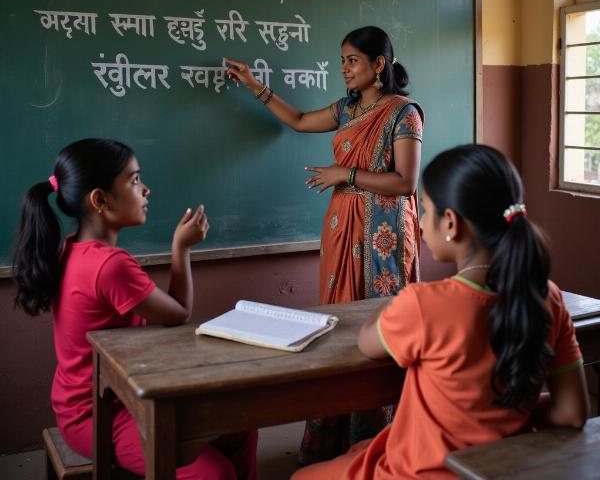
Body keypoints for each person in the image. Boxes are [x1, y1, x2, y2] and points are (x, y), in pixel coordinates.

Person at [291, 144, 589, 480]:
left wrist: (395, 301)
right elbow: (571, 413)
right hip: (502, 468)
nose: (419, 224)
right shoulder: (548, 296)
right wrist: (506, 416)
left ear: (451, 222)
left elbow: (367, 343)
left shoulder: (425, 304)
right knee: (363, 450)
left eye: (426, 210)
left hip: (418, 472)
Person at [225, 26, 424, 462]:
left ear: (379, 65)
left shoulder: (402, 113)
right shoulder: (348, 110)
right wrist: (256, 87)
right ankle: (334, 440)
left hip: (383, 235)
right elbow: (298, 121)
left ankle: (377, 443)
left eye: (352, 60)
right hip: (342, 228)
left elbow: (406, 182)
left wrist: (345, 175)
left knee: (378, 325)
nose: (344, 69)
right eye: (342, 60)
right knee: (339, 327)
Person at [12, 138, 258, 480]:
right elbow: (179, 313)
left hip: (101, 398)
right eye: (134, 180)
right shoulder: (108, 266)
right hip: (100, 414)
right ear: (99, 199)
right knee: (215, 474)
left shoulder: (74, 250)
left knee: (241, 427)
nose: (147, 190)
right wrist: (180, 248)